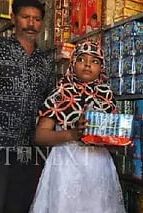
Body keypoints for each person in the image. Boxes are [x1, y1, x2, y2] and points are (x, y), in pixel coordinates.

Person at [0, 0, 54, 213]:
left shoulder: (45, 60)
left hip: (27, 146)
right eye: (26, 17)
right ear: (14, 18)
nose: (31, 23)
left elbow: (49, 104)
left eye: (36, 19)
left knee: (19, 205)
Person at [29, 42, 126, 213]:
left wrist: (120, 139)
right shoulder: (59, 94)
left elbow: (112, 136)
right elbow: (39, 136)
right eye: (81, 59)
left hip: (98, 167)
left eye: (95, 61)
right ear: (73, 63)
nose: (88, 64)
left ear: (101, 67)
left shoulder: (107, 96)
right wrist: (73, 134)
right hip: (66, 166)